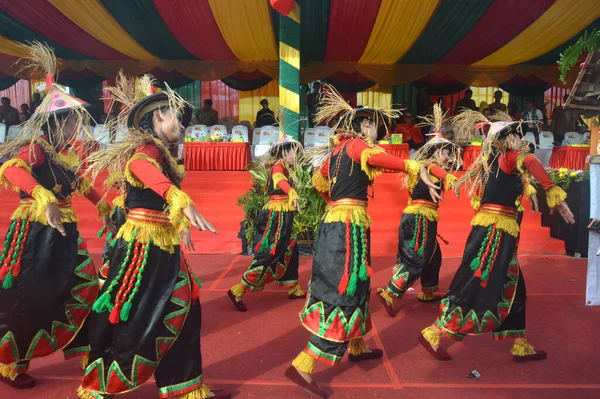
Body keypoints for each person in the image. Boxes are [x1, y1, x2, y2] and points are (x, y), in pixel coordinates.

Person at [78, 76, 230, 399]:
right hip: (143, 250)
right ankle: (100, 385)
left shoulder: (163, 153)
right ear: (160, 115)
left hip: (160, 243)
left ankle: (186, 387)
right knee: (138, 319)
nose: (184, 128)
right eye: (179, 118)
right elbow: (139, 168)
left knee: (183, 308)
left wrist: (179, 222)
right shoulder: (147, 150)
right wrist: (177, 198)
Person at [285, 85, 441, 398]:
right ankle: (303, 363)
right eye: (376, 128)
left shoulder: (335, 153)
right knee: (343, 288)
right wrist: (414, 165)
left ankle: (356, 344)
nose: (378, 134)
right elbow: (374, 156)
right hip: (346, 229)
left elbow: (319, 184)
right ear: (365, 125)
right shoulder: (356, 146)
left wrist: (336, 202)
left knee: (356, 284)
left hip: (339, 224)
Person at [418, 112, 575, 363]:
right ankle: (435, 332)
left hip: (496, 231)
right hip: (494, 234)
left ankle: (520, 344)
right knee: (474, 283)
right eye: (514, 135)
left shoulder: (493, 163)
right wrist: (551, 190)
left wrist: (532, 191)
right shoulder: (509, 157)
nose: (519, 139)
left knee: (516, 288)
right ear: (505, 139)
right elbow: (531, 161)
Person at [0, 43, 112, 390]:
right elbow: (12, 169)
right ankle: (12, 363)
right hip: (34, 235)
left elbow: (82, 186)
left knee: (82, 285)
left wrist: (106, 207)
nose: (76, 128)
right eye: (72, 122)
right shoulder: (35, 148)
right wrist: (42, 195)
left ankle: (83, 348)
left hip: (62, 232)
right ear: (56, 123)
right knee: (28, 296)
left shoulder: (62, 157)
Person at [378, 104, 460, 317]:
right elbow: (437, 170)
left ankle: (428, 290)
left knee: (433, 255)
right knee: (417, 257)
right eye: (446, 152)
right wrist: (449, 177)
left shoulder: (424, 166)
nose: (448, 157)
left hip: (417, 216)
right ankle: (390, 292)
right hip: (421, 218)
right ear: (437, 151)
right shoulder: (431, 165)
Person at [228, 134, 306, 311]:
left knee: (291, 248)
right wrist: (291, 192)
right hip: (276, 216)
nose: (296, 154)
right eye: (294, 151)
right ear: (284, 153)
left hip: (284, 213)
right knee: (270, 251)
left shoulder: (286, 167)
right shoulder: (278, 167)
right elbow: (280, 180)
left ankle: (293, 287)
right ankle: (239, 289)